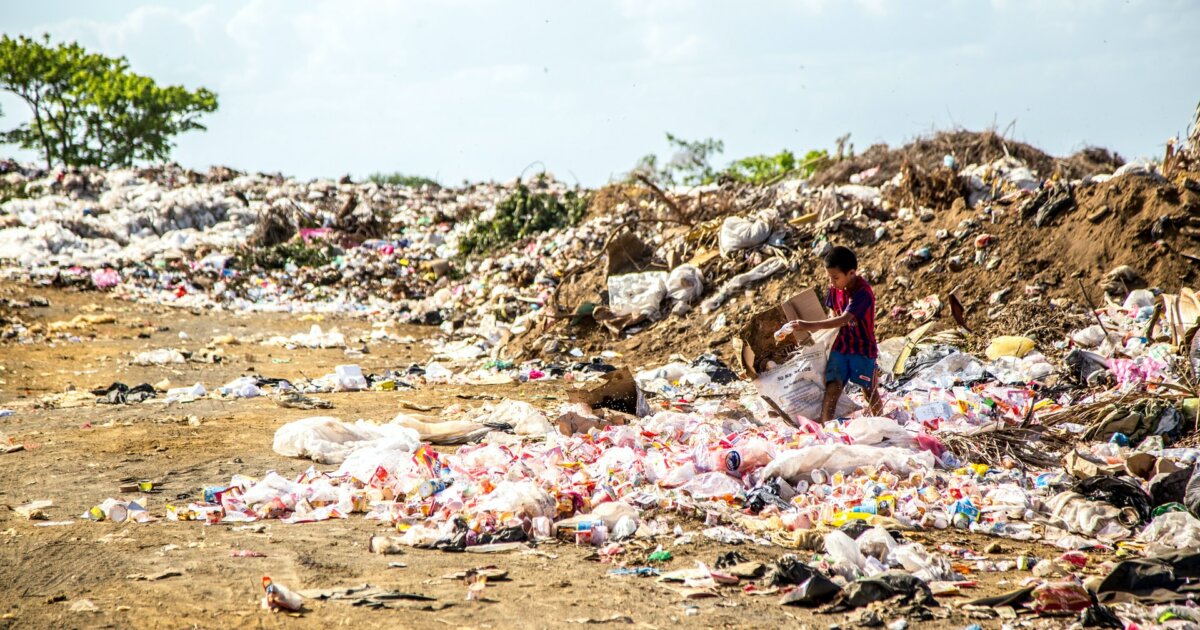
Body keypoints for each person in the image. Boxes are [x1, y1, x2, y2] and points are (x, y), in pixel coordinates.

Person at [778, 246, 882, 422]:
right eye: (829, 277)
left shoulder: (863, 293)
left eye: (835, 277)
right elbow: (833, 315)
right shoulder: (835, 289)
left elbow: (843, 319)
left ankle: (882, 422)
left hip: (862, 348)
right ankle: (827, 428)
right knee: (833, 387)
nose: (832, 282)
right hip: (840, 346)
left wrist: (807, 325)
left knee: (869, 390)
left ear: (851, 273)